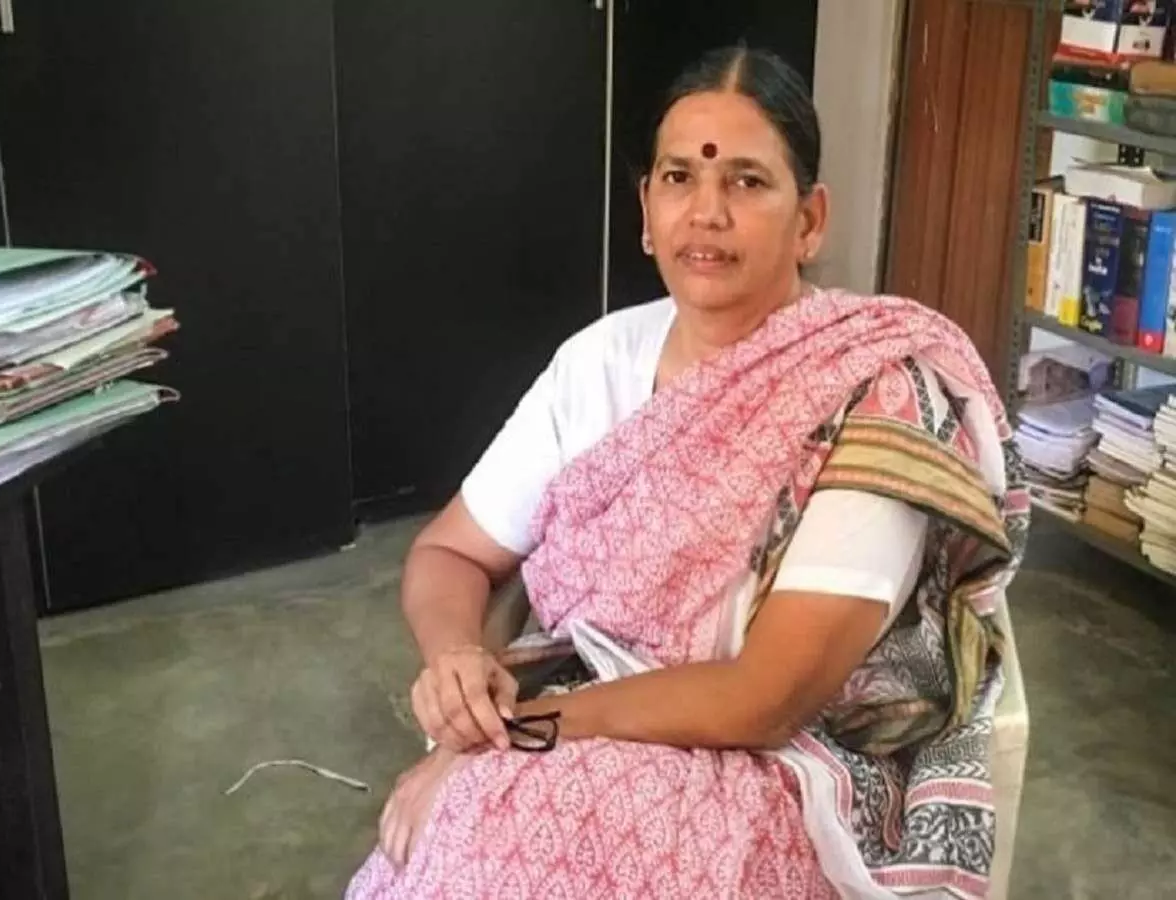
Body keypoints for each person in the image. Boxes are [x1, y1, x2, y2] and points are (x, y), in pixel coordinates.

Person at [346, 45, 1029, 900]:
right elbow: (450, 552)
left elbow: (764, 699)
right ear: (647, 210)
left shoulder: (872, 391)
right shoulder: (597, 363)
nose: (706, 212)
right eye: (679, 178)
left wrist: (509, 731)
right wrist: (455, 658)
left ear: (810, 220)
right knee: (467, 842)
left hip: (781, 764)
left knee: (498, 836)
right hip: (585, 706)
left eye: (746, 181)